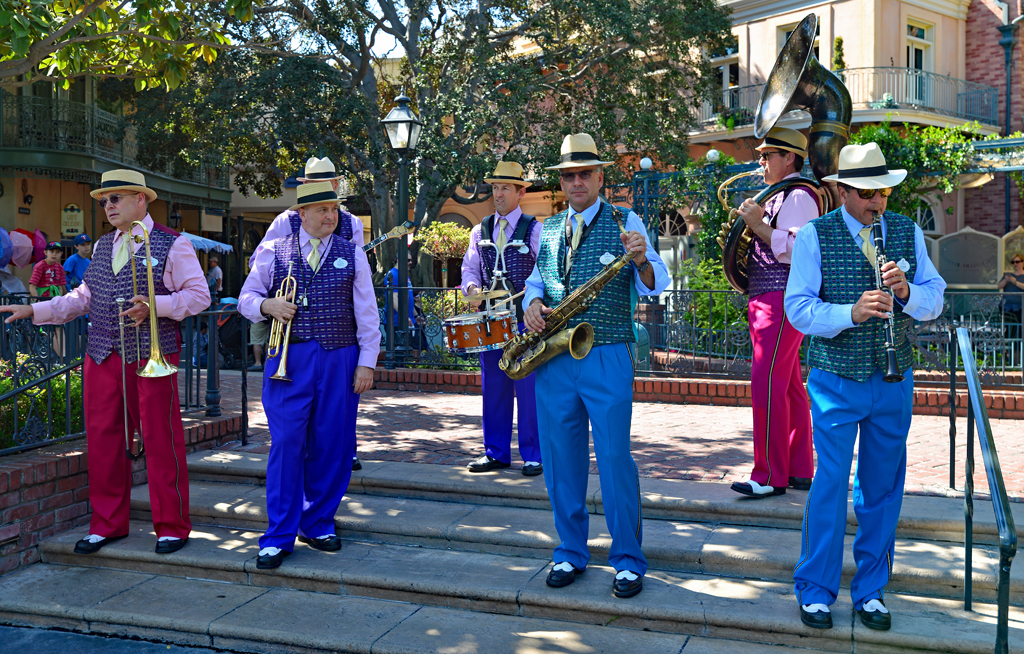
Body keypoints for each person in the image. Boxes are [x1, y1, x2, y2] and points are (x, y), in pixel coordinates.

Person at [0, 169, 210, 555]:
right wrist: (35, 311)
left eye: (115, 198)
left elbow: (199, 297)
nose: (108, 206)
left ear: (140, 200)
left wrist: (155, 306)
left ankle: (172, 526)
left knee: (162, 440)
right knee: (102, 440)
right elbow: (83, 298)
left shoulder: (172, 243)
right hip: (101, 351)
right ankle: (108, 523)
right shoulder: (100, 246)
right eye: (104, 201)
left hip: (151, 351)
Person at [785, 143, 946, 631]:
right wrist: (849, 312)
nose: (877, 201)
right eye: (866, 192)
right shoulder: (814, 235)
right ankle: (815, 589)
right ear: (842, 190)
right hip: (835, 378)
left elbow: (935, 299)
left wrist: (907, 293)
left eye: (883, 191)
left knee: (882, 488)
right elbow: (798, 308)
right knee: (830, 486)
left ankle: (871, 590)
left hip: (893, 380)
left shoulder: (906, 230)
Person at [522, 133, 670, 599]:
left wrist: (643, 260)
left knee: (613, 458)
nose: (577, 181)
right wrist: (531, 303)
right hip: (555, 357)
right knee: (560, 460)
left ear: (601, 177)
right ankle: (570, 550)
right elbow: (535, 282)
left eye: (585, 173)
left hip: (606, 352)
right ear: (561, 182)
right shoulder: (545, 230)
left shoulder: (627, 219)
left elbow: (654, 285)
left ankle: (627, 559)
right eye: (569, 175)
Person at [238, 182, 379, 570]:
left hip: (339, 358)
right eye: (321, 210)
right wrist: (267, 304)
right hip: (288, 359)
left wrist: (367, 361)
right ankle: (278, 534)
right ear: (301, 214)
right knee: (285, 443)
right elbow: (245, 298)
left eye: (333, 209)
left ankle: (318, 522)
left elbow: (367, 312)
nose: (330, 216)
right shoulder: (274, 249)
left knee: (332, 443)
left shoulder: (353, 252)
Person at [248, 155, 367, 468]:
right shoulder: (283, 224)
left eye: (329, 183)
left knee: (333, 431)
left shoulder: (351, 222)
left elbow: (357, 280)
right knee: (289, 436)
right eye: (316, 183)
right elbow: (259, 268)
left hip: (335, 332)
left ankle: (344, 454)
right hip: (292, 334)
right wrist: (270, 301)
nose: (325, 189)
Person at [730, 128, 818, 499]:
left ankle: (768, 475)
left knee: (766, 382)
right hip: (770, 296)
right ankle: (798, 469)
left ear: (790, 159)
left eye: (768, 156)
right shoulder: (784, 194)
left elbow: (801, 247)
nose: (761, 162)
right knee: (789, 387)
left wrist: (757, 225)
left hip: (780, 298)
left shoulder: (798, 194)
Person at [460, 161, 542, 476]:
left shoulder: (534, 229)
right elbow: (469, 268)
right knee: (493, 388)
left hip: (524, 322)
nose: (498, 194)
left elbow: (544, 270)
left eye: (505, 188)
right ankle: (495, 452)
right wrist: (470, 287)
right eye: (495, 188)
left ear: (521, 192)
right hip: (490, 321)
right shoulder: (478, 230)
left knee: (529, 388)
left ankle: (534, 454)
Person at [997, 252, 1024, 320]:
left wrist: (1016, 283)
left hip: (1020, 307)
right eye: (1013, 262)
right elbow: (999, 286)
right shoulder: (1009, 275)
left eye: (1017, 262)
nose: (1015, 264)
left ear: (1022, 262)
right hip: (1007, 307)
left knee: (1020, 328)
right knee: (1008, 327)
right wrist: (1005, 280)